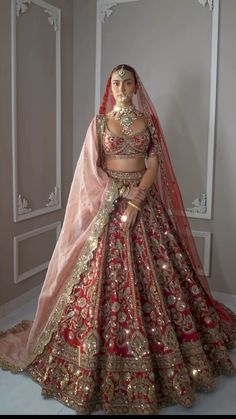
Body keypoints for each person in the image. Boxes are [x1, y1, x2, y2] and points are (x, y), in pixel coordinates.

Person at [0, 64, 235, 415]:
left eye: (128, 82)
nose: (122, 87)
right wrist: (118, 196)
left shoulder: (148, 122)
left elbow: (153, 161)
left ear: (137, 85)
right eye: (116, 82)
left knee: (162, 277)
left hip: (144, 203)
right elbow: (89, 169)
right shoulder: (99, 123)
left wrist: (138, 197)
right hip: (109, 205)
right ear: (109, 87)